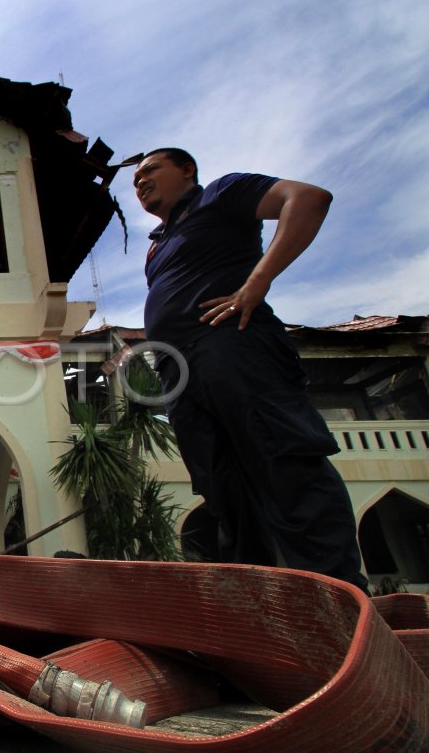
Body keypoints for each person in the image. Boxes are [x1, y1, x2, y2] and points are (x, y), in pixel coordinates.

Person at [133, 148, 369, 592]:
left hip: (233, 346)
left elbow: (309, 198)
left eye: (150, 171)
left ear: (187, 171)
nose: (140, 182)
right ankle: (259, 608)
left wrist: (255, 284)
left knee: (286, 466)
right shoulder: (156, 247)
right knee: (224, 491)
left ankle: (336, 599)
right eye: (135, 180)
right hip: (180, 373)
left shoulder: (221, 194)